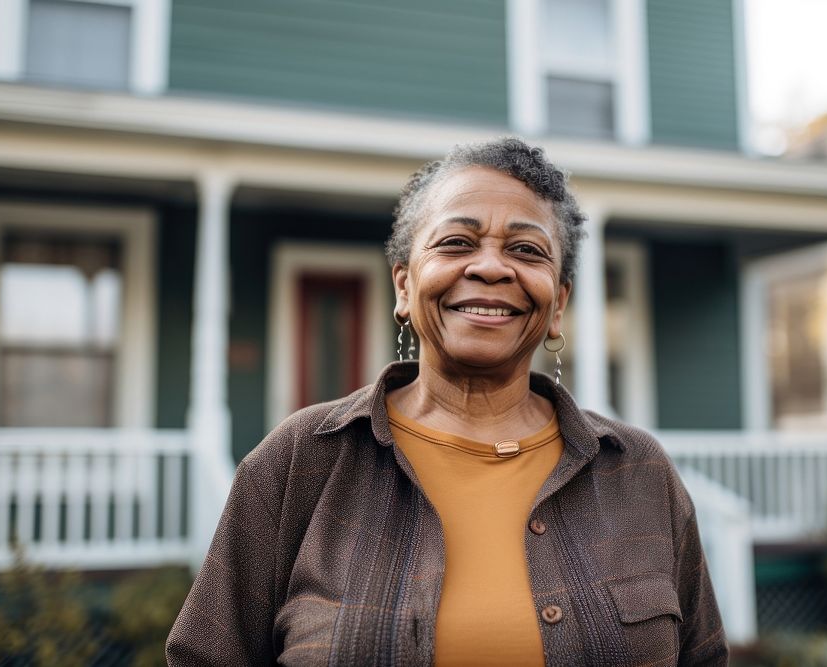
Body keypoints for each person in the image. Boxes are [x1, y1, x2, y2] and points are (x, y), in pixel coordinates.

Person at [166, 138, 728, 666]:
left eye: (526, 250)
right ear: (405, 288)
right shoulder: (299, 462)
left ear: (557, 305)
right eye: (456, 242)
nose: (489, 267)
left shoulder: (639, 472)